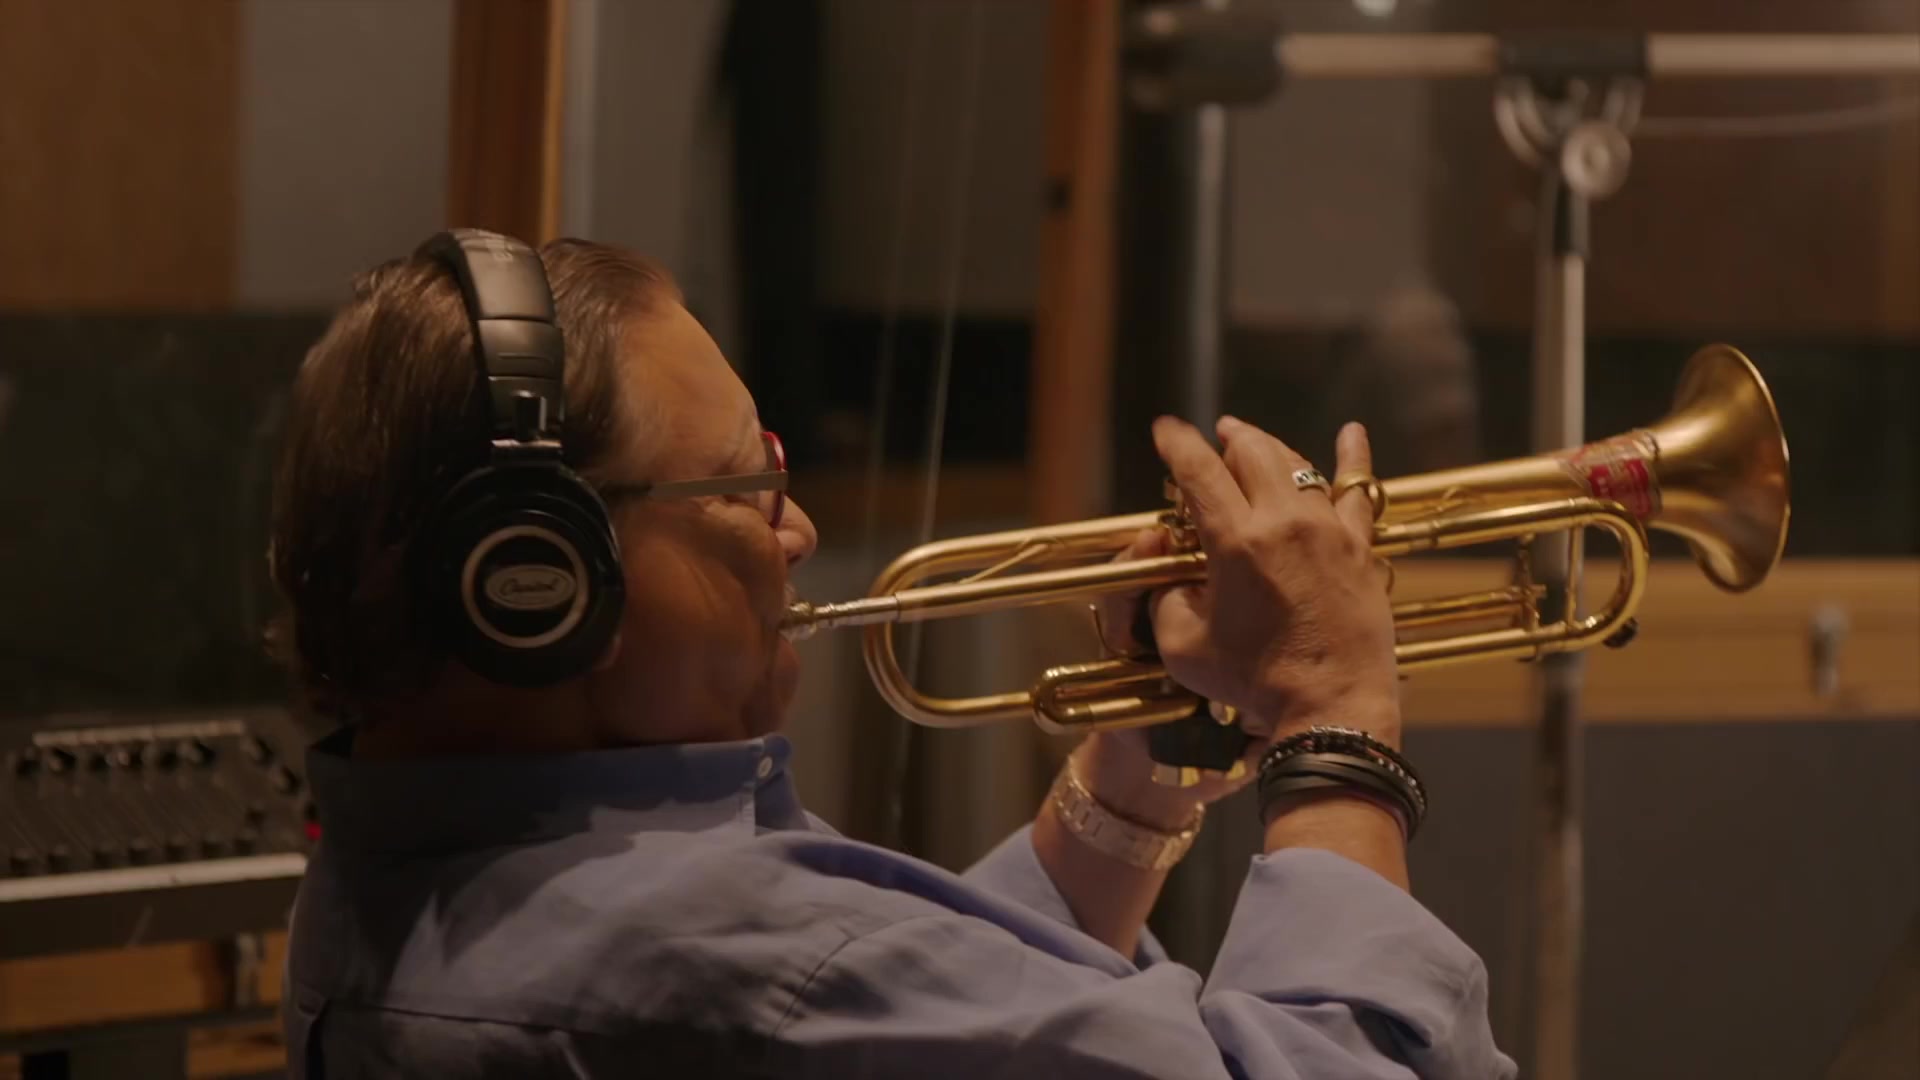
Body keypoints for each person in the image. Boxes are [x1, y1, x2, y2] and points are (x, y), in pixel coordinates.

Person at [268, 231, 1514, 1078]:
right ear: (534, 584)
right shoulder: (739, 968)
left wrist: (1136, 778)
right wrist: (1336, 719)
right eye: (743, 487)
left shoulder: (391, 875)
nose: (798, 530)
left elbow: (953, 1016)